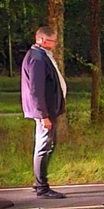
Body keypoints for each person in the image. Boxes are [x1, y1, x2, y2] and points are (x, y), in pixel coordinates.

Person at [20, 25, 67, 199]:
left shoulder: (42, 55)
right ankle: (42, 186)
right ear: (41, 39)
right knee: (43, 146)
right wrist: (43, 115)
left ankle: (39, 180)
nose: (54, 44)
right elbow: (36, 89)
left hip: (50, 109)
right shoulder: (38, 58)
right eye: (52, 41)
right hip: (44, 111)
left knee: (49, 145)